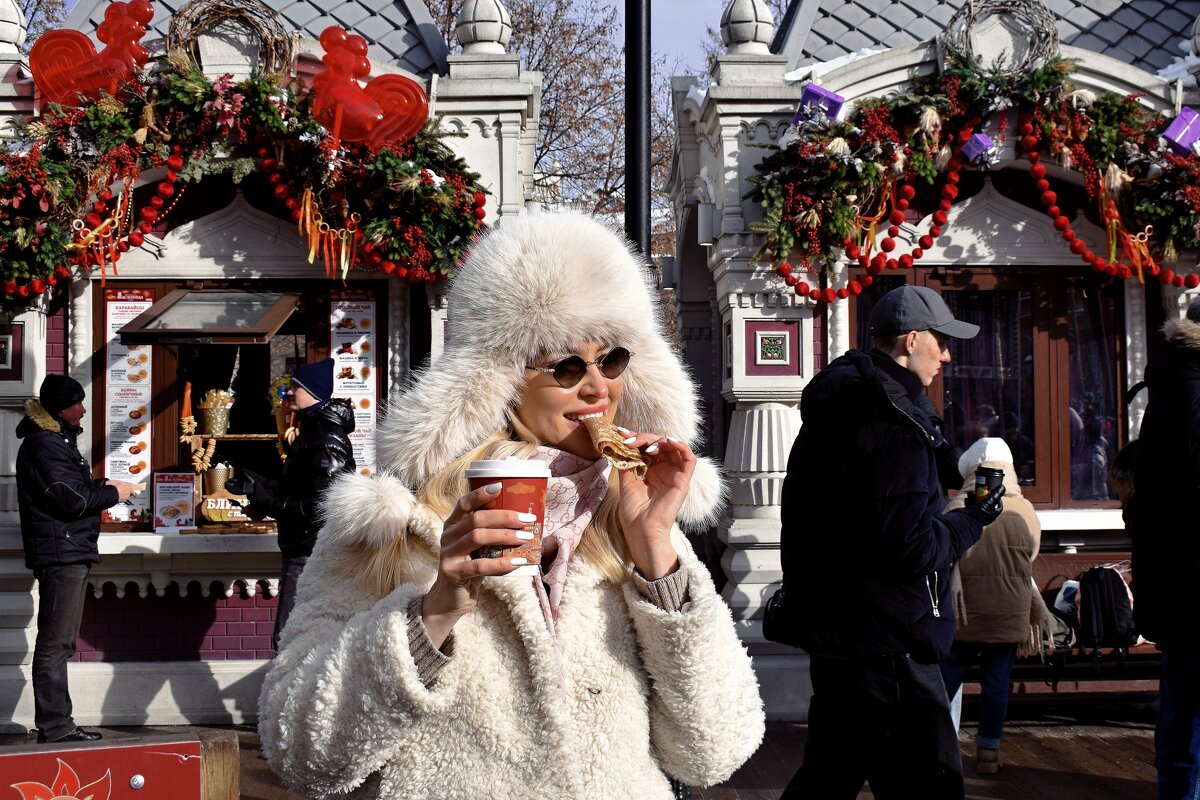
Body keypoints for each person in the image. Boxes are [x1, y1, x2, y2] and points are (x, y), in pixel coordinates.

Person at [256, 211, 765, 799]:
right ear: (497, 377)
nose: (598, 388)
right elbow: (300, 750)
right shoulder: (393, 522)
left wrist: (656, 552)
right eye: (568, 365)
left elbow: (715, 752)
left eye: (613, 360)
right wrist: (434, 612)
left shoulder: (636, 517)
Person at [778, 285, 1004, 799]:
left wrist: (948, 461)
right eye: (941, 342)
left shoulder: (848, 403)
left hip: (837, 630)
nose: (947, 356)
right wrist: (974, 519)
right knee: (929, 786)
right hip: (890, 643)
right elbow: (913, 548)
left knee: (829, 775)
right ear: (911, 339)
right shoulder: (893, 421)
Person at [16, 374, 136, 743]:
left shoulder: (55, 442)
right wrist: (115, 494)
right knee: (56, 643)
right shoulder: (45, 445)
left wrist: (105, 487)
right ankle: (55, 725)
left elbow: (77, 491)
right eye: (77, 402)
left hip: (68, 549)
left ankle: (57, 723)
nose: (83, 409)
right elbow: (72, 500)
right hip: (61, 552)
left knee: (60, 641)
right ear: (59, 407)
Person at [224, 358, 355, 650]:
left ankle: (290, 695)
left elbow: (321, 505)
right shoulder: (311, 432)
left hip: (312, 552)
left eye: (295, 386)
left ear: (312, 391)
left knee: (288, 639)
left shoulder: (325, 437)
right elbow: (302, 487)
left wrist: (269, 502)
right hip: (304, 547)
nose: (289, 393)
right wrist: (260, 485)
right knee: (292, 638)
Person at [939, 437, 1047, 776]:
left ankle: (935, 750)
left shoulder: (957, 507)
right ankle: (989, 753)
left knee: (945, 682)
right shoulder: (1026, 510)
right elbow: (1029, 556)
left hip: (964, 614)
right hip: (1009, 611)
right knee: (997, 683)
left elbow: (940, 552)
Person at [1130, 295, 1200, 800]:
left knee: (1181, 716)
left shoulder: (1168, 391)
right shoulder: (1192, 396)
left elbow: (1142, 498)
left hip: (1175, 586)